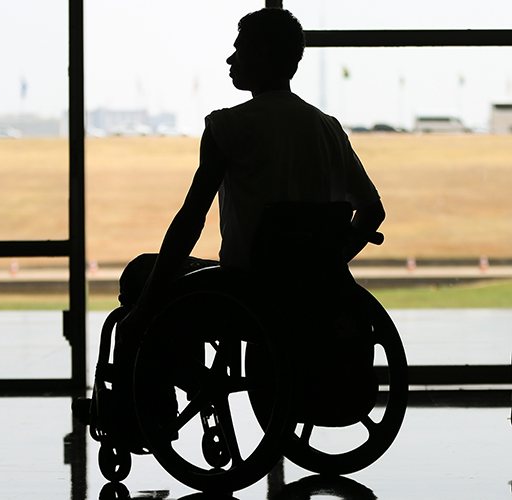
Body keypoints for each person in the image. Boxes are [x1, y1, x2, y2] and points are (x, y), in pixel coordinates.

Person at [119, 8, 385, 335]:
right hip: (313, 291)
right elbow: (372, 212)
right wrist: (328, 265)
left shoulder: (227, 126)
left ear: (261, 53)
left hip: (245, 292)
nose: (230, 60)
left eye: (238, 49)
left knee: (140, 272)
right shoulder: (328, 128)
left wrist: (145, 307)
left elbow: (191, 219)